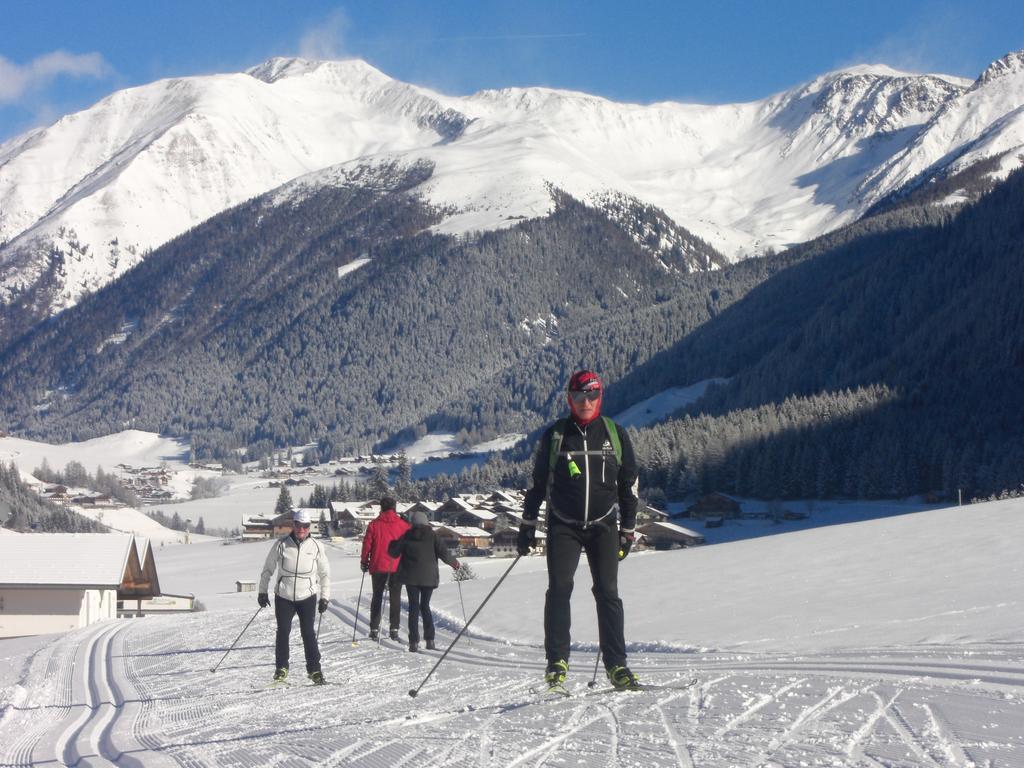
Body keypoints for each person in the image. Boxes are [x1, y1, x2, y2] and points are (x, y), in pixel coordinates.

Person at [519, 369, 640, 690]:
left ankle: (617, 666)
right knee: (559, 590)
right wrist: (527, 525)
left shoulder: (615, 434)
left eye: (591, 395)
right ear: (568, 399)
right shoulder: (556, 435)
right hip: (564, 526)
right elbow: (539, 485)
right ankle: (556, 662)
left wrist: (628, 530)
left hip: (604, 526)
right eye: (578, 396)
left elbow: (629, 486)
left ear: (601, 396)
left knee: (608, 594)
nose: (585, 402)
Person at [258, 508, 331, 685]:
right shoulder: (281, 544)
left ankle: (314, 670)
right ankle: (281, 668)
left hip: (307, 596)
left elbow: (325, 574)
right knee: (283, 632)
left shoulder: (316, 547)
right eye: (299, 525)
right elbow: (268, 569)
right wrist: (262, 591)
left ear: (309, 527)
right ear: (294, 525)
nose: (302, 529)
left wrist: (325, 597)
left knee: (308, 633)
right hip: (284, 596)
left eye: (306, 526)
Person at [387, 510, 460, 652]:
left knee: (413, 608)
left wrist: (391, 543)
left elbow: (393, 552)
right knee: (425, 606)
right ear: (426, 522)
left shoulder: (407, 536)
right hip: (429, 577)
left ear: (412, 523)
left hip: (411, 577)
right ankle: (430, 640)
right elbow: (444, 553)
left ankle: (413, 642)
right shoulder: (433, 536)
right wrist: (454, 563)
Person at [360, 496, 410, 641]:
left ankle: (374, 628)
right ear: (394, 508)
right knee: (395, 598)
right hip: (397, 567)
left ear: (381, 507)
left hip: (378, 566)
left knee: (377, 597)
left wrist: (364, 561)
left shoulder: (374, 525)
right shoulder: (403, 525)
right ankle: (394, 629)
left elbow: (367, 544)